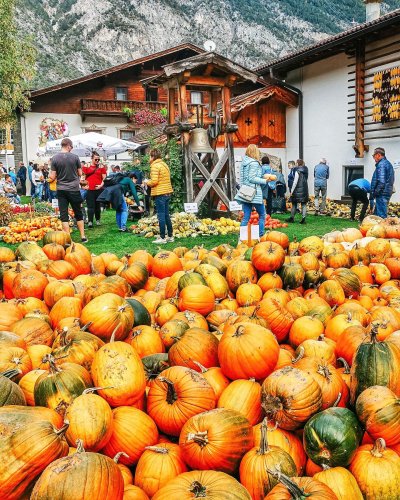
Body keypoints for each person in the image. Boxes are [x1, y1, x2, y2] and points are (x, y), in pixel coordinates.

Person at [49, 137, 88, 243]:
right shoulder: (75, 157)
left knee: (64, 215)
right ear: (68, 146)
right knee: (78, 212)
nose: (71, 149)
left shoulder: (55, 158)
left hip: (61, 189)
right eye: (71, 147)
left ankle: (68, 239)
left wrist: (47, 178)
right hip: (74, 189)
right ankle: (83, 237)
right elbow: (80, 173)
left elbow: (52, 177)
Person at [235, 144, 274, 239]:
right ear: (255, 152)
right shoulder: (254, 163)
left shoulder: (244, 163)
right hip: (254, 193)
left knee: (246, 217)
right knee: (262, 215)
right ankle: (260, 235)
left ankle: (242, 237)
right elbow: (252, 178)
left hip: (245, 193)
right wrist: (265, 180)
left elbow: (244, 179)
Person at [144, 149, 174, 244]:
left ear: (153, 157)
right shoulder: (164, 164)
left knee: (161, 215)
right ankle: (170, 235)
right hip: (167, 192)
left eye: (149, 156)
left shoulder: (154, 166)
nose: (149, 158)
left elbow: (154, 182)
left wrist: (146, 182)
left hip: (160, 193)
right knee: (166, 215)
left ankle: (162, 237)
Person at [82, 152, 107, 228]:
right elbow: (83, 178)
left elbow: (104, 178)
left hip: (99, 189)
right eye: (96, 159)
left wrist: (101, 185)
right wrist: (84, 186)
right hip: (89, 189)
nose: (97, 160)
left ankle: (98, 219)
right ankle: (90, 221)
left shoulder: (101, 166)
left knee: (97, 205)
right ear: (92, 158)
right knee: (90, 206)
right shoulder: (86, 166)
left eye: (98, 159)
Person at [370, 147, 395, 219]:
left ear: (378, 155)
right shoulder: (387, 164)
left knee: (381, 217)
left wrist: (375, 193)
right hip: (384, 192)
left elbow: (381, 182)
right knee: (376, 217)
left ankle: (383, 230)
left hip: (381, 194)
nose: (373, 158)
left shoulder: (382, 165)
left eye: (373, 156)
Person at [287, 159, 309, 224]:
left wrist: (292, 191)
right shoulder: (306, 170)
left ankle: (292, 217)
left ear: (297, 163)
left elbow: (295, 182)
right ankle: (303, 218)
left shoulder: (297, 171)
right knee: (304, 204)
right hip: (304, 189)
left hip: (297, 190)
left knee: (294, 203)